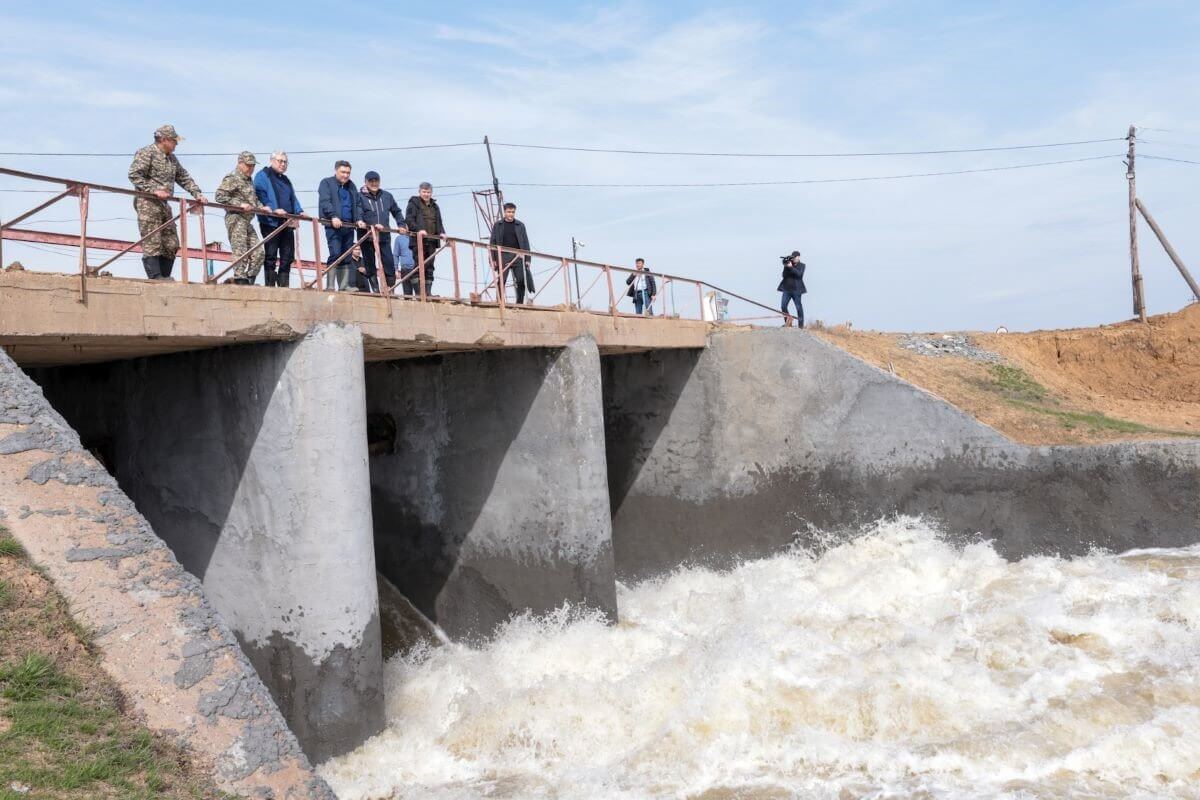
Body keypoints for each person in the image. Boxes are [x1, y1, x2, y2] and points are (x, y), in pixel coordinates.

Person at [127, 124, 207, 280]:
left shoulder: (171, 158)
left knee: (171, 242)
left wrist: (197, 193)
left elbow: (183, 176)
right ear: (163, 140)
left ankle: (165, 276)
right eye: (174, 141)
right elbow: (134, 175)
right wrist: (153, 190)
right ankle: (156, 277)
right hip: (148, 202)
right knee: (152, 240)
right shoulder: (147, 153)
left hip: (164, 204)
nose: (176, 144)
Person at [214, 151, 270, 285]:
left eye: (252, 166)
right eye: (248, 165)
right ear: (240, 164)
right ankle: (239, 278)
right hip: (235, 217)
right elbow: (219, 196)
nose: (251, 168)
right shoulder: (232, 178)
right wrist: (239, 205)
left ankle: (249, 279)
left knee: (259, 252)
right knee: (240, 250)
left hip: (247, 220)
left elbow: (253, 200)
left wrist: (262, 207)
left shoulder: (248, 180)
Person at [253, 151, 303, 287]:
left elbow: (292, 198)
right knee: (271, 254)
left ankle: (283, 285)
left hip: (286, 222)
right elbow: (260, 195)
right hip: (270, 221)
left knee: (288, 255)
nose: (283, 164)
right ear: (271, 161)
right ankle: (270, 285)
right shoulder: (262, 175)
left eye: (285, 162)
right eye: (280, 161)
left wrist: (299, 211)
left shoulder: (285, 180)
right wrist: (274, 209)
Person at [318, 160, 366, 291]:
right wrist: (333, 215)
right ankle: (330, 286)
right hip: (333, 225)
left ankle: (344, 286)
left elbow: (357, 204)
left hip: (349, 226)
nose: (345, 175)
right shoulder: (326, 183)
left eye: (348, 173)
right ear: (336, 171)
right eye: (343, 172)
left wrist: (359, 219)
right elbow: (325, 201)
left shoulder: (352, 186)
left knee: (346, 255)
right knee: (335, 253)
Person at [357, 171, 406, 293]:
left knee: (389, 263)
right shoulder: (359, 196)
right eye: (371, 181)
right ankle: (376, 290)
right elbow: (358, 212)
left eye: (376, 181)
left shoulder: (386, 196)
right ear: (365, 182)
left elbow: (396, 211)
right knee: (369, 263)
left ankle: (390, 289)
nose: (374, 183)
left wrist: (401, 224)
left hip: (383, 236)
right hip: (366, 235)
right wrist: (370, 223)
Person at [404, 182, 445, 297]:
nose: (426, 194)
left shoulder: (435, 206)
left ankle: (428, 293)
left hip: (432, 240)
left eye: (428, 192)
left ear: (431, 193)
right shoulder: (414, 203)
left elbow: (439, 222)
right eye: (424, 192)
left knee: (430, 266)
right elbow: (409, 219)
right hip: (419, 240)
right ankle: (419, 293)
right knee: (419, 265)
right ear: (419, 192)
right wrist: (419, 230)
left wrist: (442, 232)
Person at [489, 202, 534, 304]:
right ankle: (499, 302)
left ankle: (519, 303)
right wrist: (493, 259)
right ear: (504, 212)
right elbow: (492, 243)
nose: (511, 214)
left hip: (518, 256)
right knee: (502, 280)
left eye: (513, 212)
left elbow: (525, 242)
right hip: (503, 256)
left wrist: (528, 259)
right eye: (509, 212)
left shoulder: (520, 225)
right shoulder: (498, 225)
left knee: (521, 281)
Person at [778, 250, 807, 327]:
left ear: (798, 257)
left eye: (795, 257)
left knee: (798, 308)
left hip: (796, 290)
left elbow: (799, 275)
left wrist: (791, 267)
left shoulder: (802, 265)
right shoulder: (788, 264)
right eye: (793, 257)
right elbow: (784, 275)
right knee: (783, 306)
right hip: (786, 289)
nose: (794, 259)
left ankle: (800, 326)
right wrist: (787, 266)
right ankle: (788, 323)